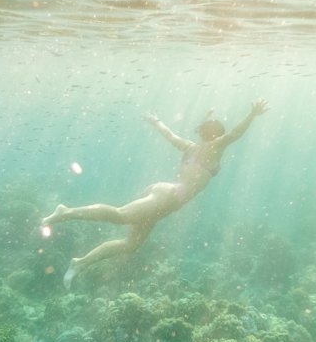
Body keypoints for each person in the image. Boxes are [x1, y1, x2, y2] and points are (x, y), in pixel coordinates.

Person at [42, 99, 269, 288]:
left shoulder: (192, 147)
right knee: (121, 215)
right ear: (216, 135)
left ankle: (79, 263)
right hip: (167, 196)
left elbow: (170, 135)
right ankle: (66, 212)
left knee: (131, 244)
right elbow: (235, 135)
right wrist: (252, 114)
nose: (222, 136)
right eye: (220, 133)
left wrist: (157, 121)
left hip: (166, 198)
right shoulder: (214, 147)